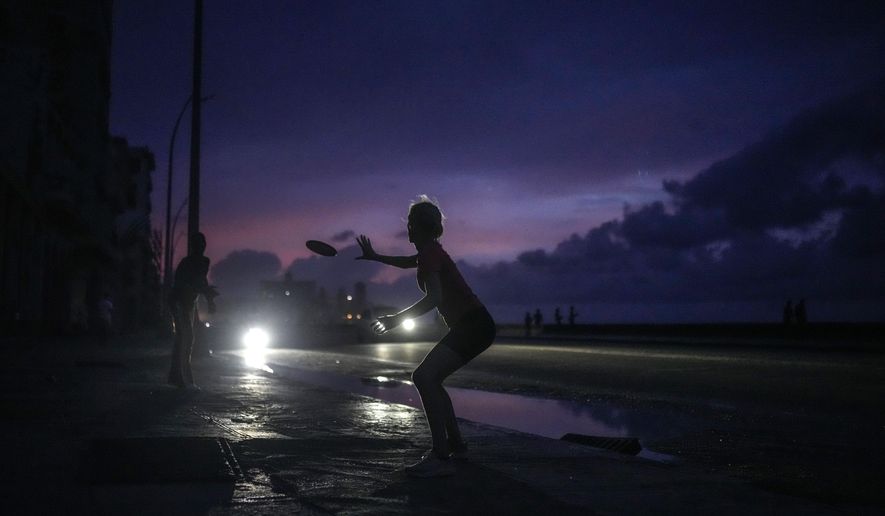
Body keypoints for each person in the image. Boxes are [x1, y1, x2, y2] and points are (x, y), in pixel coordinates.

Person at [356, 196, 495, 478]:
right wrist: (376, 257)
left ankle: (440, 455)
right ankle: (456, 444)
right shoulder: (429, 253)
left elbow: (434, 298)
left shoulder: (430, 254)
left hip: (473, 326)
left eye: (409, 224)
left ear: (416, 227)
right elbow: (409, 262)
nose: (407, 229)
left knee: (423, 377)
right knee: (432, 379)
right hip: (473, 325)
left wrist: (396, 320)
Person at [168, 232, 218, 390]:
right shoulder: (186, 262)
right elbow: (185, 284)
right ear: (193, 246)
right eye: (198, 244)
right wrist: (206, 295)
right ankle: (181, 378)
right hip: (179, 301)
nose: (201, 247)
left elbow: (201, 282)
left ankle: (182, 377)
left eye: (203, 244)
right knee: (184, 338)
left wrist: (210, 300)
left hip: (190, 302)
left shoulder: (204, 261)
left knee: (187, 340)